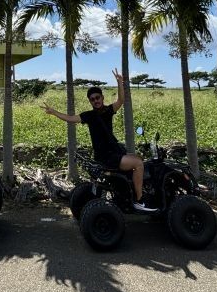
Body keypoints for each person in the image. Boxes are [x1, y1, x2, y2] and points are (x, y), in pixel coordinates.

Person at [41, 69, 157, 213]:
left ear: (102, 98)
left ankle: (129, 193)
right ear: (90, 101)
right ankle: (139, 201)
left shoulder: (109, 111)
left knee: (138, 158)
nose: (96, 100)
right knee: (139, 164)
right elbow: (71, 118)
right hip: (106, 157)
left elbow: (121, 100)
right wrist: (54, 112)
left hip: (113, 153)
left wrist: (120, 83)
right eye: (92, 99)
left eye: (97, 97)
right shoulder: (88, 116)